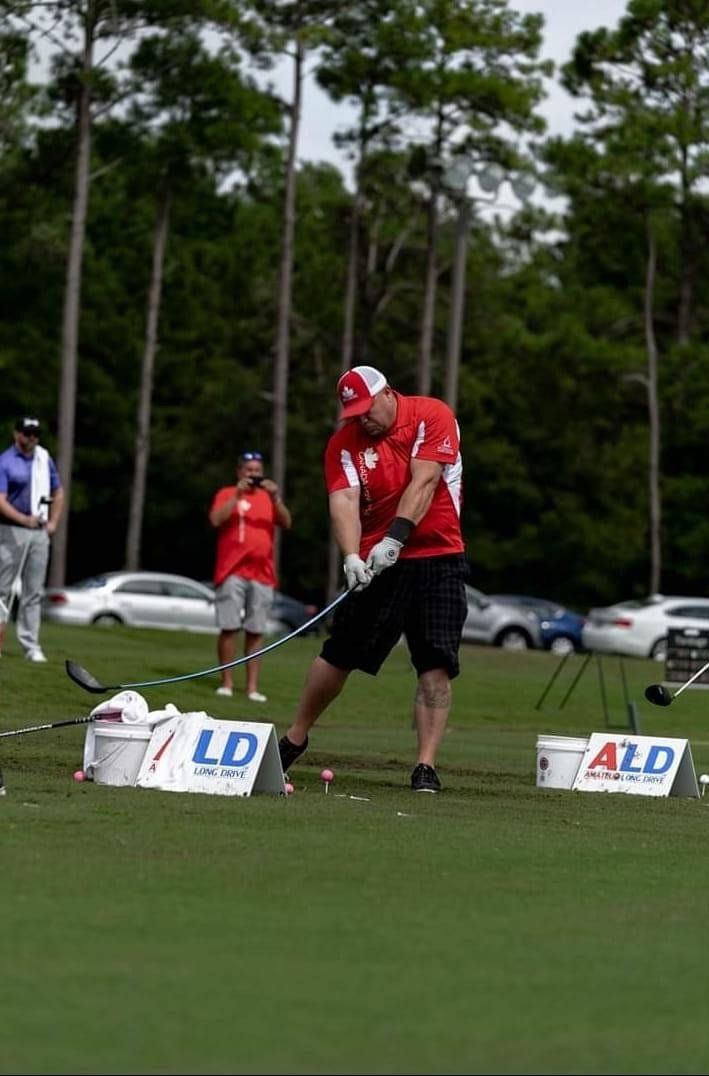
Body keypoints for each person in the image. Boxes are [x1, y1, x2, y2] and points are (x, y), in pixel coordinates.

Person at [278, 365, 467, 793]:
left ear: (387, 395)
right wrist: (350, 556)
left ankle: (425, 765)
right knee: (340, 652)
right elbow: (343, 500)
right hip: (377, 563)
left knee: (435, 661)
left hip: (438, 554)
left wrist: (395, 538)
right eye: (354, 413)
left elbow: (426, 480)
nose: (363, 419)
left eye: (367, 410)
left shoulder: (430, 415)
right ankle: (294, 738)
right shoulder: (343, 443)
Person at [208, 451, 292, 701]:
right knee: (229, 627)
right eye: (249, 470)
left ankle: (252, 688)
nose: (253, 474)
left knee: (256, 630)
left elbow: (286, 523)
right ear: (239, 472)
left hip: (262, 573)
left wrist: (276, 496)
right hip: (232, 570)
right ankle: (227, 682)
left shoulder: (268, 498)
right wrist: (236, 494)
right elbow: (215, 519)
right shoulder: (226, 493)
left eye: (257, 470)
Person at [0, 416, 64, 662]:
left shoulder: (43, 459)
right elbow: (1, 500)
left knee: (33, 591)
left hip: (39, 532)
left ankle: (31, 645)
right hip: (11, 530)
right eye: (27, 434)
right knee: (3, 589)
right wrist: (22, 519)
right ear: (17, 434)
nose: (32, 439)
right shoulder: (6, 461)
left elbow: (58, 491)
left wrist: (54, 522)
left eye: (35, 434)